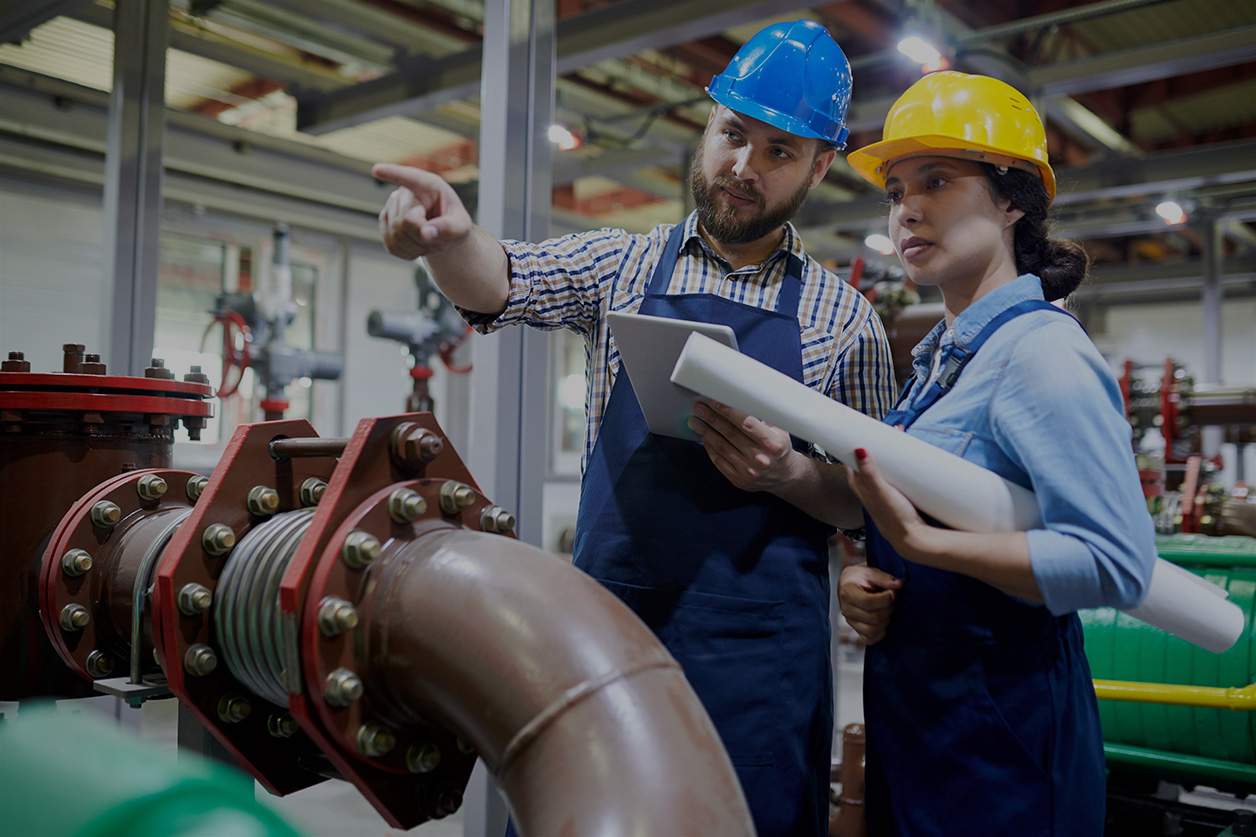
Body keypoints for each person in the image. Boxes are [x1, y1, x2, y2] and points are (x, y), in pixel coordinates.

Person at [374, 19, 896, 836]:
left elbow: (871, 499)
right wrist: (450, 238)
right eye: (733, 135)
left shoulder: (846, 320)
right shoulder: (624, 268)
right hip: (607, 640)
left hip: (761, 670)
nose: (742, 168)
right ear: (708, 123)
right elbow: (503, 280)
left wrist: (789, 476)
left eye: (779, 152)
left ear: (821, 165)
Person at [836, 71, 1157, 835]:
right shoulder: (943, 363)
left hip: (1002, 745)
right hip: (922, 728)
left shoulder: (1040, 353)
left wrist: (924, 543)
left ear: (1014, 199)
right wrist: (866, 578)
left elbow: (1117, 562)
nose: (906, 208)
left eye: (937, 180)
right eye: (893, 188)